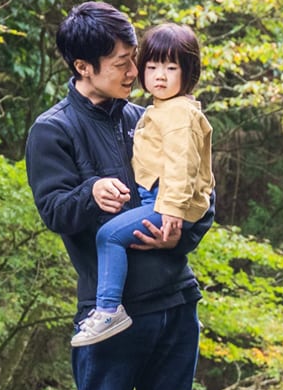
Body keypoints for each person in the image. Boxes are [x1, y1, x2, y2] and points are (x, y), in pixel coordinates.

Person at [25, 1, 216, 390]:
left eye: (136, 58)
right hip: (109, 313)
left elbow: (201, 196)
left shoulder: (154, 115)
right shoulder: (53, 129)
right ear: (83, 66)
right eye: (121, 62)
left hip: (175, 305)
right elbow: (55, 210)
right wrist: (91, 192)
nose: (135, 70)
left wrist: (184, 229)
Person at [73, 23, 214, 348]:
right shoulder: (164, 110)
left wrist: (173, 209)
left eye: (171, 67)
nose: (159, 75)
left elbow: (182, 165)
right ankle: (110, 309)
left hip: (167, 201)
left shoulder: (176, 113)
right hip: (163, 198)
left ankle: (108, 309)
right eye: (152, 67)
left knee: (108, 236)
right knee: (113, 235)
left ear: (188, 71)